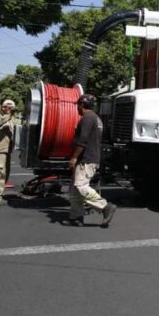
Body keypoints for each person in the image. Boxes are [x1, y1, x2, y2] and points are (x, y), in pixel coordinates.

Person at [66, 94, 116, 227]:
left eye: (78, 105)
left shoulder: (88, 118)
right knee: (75, 189)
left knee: (81, 186)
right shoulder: (96, 118)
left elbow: (83, 140)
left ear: (82, 104)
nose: (77, 107)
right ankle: (76, 217)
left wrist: (74, 157)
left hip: (86, 159)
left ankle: (105, 207)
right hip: (89, 157)